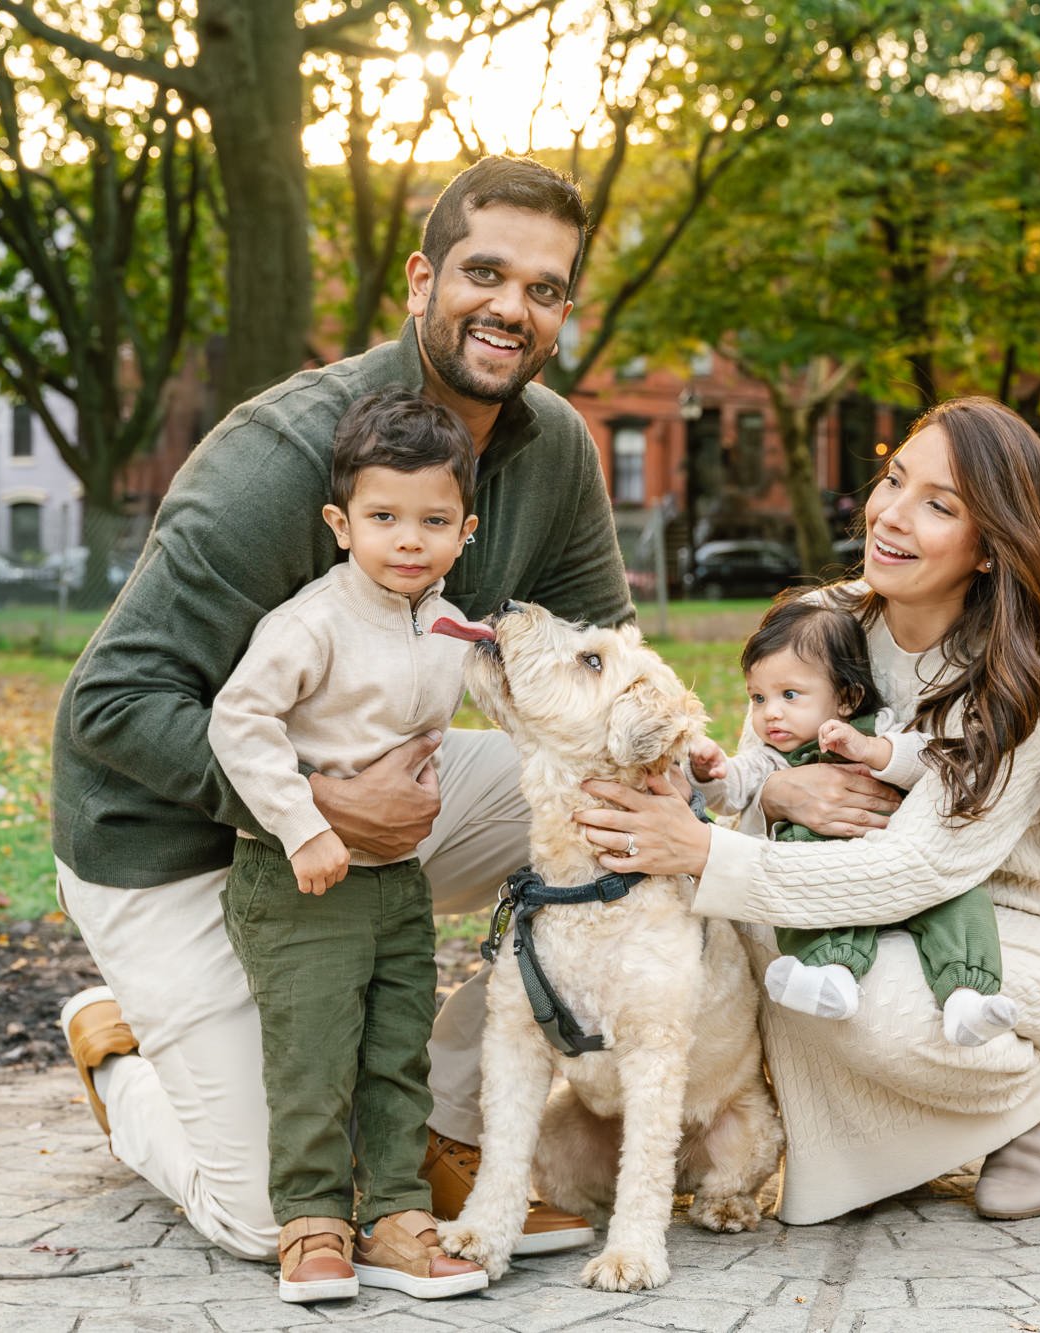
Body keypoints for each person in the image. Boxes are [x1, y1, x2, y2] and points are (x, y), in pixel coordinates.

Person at [51, 155, 628, 1264]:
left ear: (562, 309)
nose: (511, 306)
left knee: (634, 810)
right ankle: (124, 1057)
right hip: (164, 834)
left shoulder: (553, 449)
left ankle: (442, 1119)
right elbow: (110, 704)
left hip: (376, 810)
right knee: (271, 1214)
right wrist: (308, 804)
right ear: (421, 280)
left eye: (544, 288)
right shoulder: (277, 458)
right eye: (483, 272)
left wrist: (725, 780)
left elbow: (600, 666)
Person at [573, 396, 1040, 1226]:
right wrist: (770, 790)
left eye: (939, 505)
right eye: (895, 479)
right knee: (757, 938)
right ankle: (904, 1134)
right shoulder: (833, 619)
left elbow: (912, 869)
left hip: (1016, 941)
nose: (892, 516)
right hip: (885, 921)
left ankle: (1022, 1105)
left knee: (829, 986)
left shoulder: (1023, 693)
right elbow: (758, 765)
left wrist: (699, 852)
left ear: (991, 549)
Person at [210, 389, 490, 1303]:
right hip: (303, 879)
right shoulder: (311, 624)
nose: (408, 539)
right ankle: (313, 1221)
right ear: (340, 523)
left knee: (394, 1050)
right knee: (315, 1056)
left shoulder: (451, 625)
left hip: (395, 883)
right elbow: (238, 721)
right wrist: (304, 824)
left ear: (465, 529)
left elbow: (526, 683)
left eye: (432, 520)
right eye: (383, 517)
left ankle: (397, 1215)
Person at [688, 593, 1020, 1047]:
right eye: (758, 698)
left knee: (961, 899)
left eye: (790, 695)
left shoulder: (881, 726)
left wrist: (869, 751)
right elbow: (730, 795)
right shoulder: (768, 758)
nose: (771, 713)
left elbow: (929, 761)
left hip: (900, 875)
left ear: (846, 698)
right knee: (805, 884)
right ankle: (831, 973)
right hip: (835, 885)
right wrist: (709, 772)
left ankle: (967, 996)